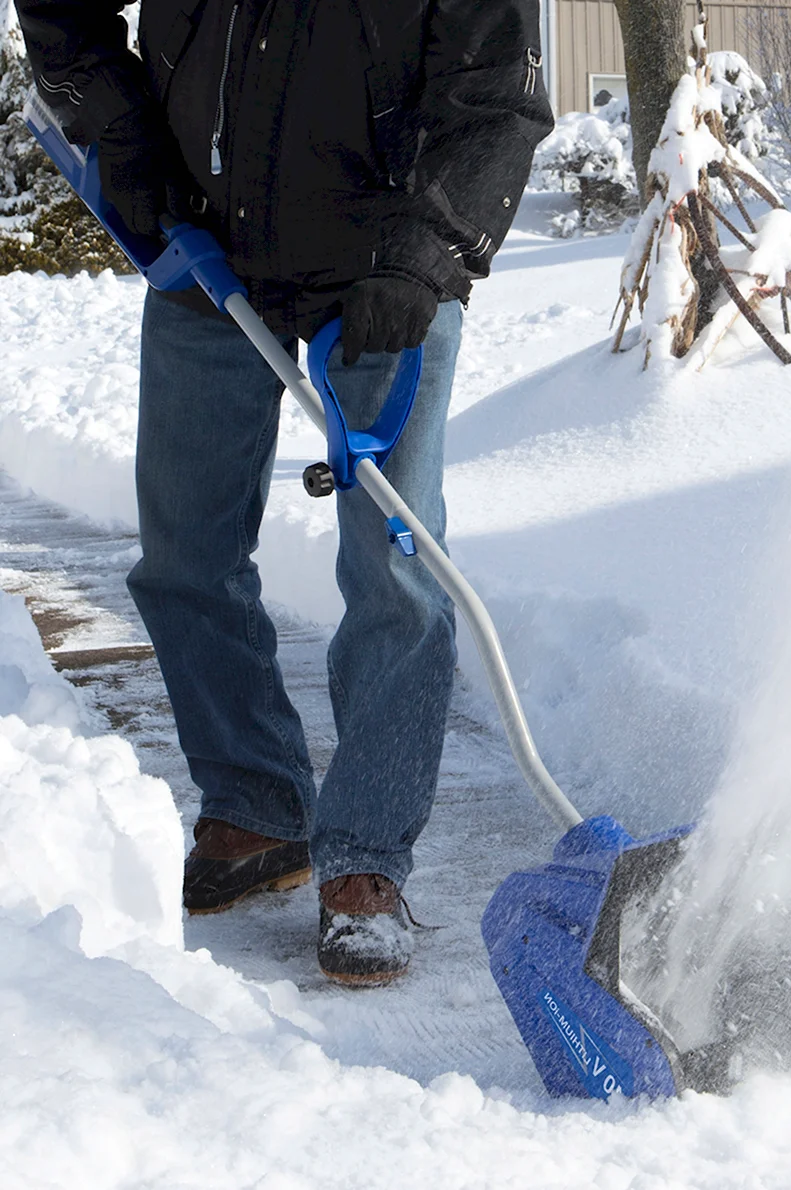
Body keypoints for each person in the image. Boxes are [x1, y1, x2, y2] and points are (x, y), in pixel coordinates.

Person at [15, 0, 553, 984]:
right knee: (184, 550)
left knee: (396, 567)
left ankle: (363, 859)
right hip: (205, 240)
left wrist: (426, 248)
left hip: (386, 268)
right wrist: (125, 135)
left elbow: (496, 101)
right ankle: (254, 806)